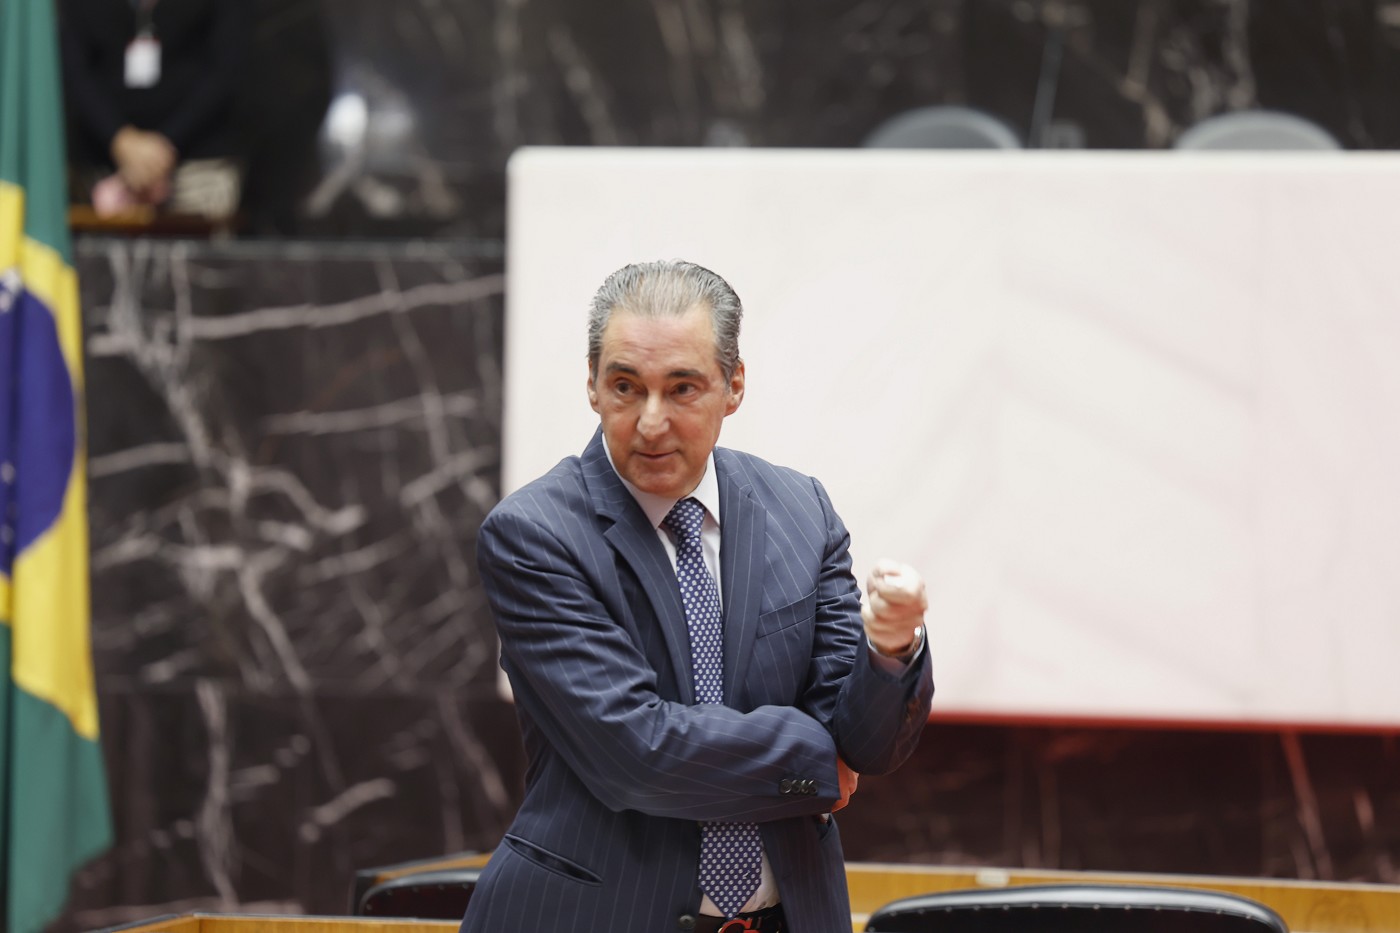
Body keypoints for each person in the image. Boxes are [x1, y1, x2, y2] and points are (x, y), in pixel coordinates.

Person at [463, 260, 933, 933]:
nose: (651, 422)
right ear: (592, 384)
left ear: (734, 384)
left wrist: (888, 650)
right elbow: (636, 753)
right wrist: (814, 764)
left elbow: (867, 744)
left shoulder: (801, 510)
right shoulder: (534, 534)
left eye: (682, 388)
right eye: (626, 387)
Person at [59, 0, 246, 219]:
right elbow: (74, 71)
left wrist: (163, 147)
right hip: (99, 165)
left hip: (198, 164)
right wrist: (120, 139)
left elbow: (227, 70)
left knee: (197, 237)